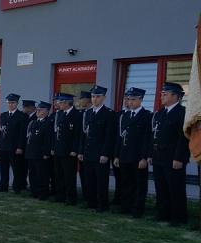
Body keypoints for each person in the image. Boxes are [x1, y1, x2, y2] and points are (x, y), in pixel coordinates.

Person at [150, 82, 190, 226]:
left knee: (175, 188)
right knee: (161, 187)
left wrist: (179, 158)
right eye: (162, 94)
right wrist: (151, 154)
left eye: (165, 94)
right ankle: (163, 214)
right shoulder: (161, 113)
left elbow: (183, 138)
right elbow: (154, 135)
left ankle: (178, 217)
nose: (161, 97)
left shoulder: (182, 113)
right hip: (158, 156)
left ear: (175, 96)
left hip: (173, 157)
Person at [114, 87, 152, 218]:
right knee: (126, 183)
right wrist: (117, 155)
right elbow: (120, 137)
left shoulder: (147, 116)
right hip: (125, 155)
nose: (130, 102)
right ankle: (126, 207)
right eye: (129, 99)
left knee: (139, 184)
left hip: (138, 156)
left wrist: (144, 157)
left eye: (133, 99)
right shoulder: (124, 116)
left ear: (141, 100)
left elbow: (147, 139)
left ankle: (137, 209)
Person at [78, 86, 116, 212]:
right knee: (89, 179)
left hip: (100, 153)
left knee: (101, 181)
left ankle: (102, 205)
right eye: (93, 96)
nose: (95, 99)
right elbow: (83, 134)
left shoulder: (108, 113)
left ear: (104, 98)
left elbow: (109, 136)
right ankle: (91, 203)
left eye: (98, 96)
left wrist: (105, 153)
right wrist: (81, 151)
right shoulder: (88, 113)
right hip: (88, 152)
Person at [51, 93, 82, 205]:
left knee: (69, 176)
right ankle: (60, 196)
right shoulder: (60, 114)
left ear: (67, 103)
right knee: (58, 175)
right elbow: (56, 132)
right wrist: (53, 147)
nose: (58, 104)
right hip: (59, 149)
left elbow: (77, 134)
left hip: (69, 151)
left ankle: (71, 197)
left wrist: (74, 149)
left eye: (60, 102)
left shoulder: (76, 114)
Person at [0, 93, 27, 192]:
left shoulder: (21, 116)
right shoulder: (3, 115)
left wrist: (20, 147)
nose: (10, 105)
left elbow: (22, 133)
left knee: (16, 169)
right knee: (3, 168)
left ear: (17, 103)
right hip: (3, 146)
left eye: (13, 103)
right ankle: (3, 186)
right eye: (9, 103)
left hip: (14, 147)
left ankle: (17, 187)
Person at [25, 101, 53, 200]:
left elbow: (48, 140)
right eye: (37, 109)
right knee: (32, 174)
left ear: (47, 111)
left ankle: (43, 193)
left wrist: (46, 153)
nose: (38, 111)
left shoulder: (48, 123)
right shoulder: (33, 122)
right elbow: (29, 138)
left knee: (42, 175)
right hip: (31, 152)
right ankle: (34, 191)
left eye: (40, 110)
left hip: (41, 154)